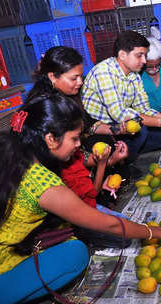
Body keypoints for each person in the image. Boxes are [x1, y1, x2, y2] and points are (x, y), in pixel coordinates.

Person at [0, 95, 161, 304]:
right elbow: (109, 224)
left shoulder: (8, 152)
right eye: (74, 138)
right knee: (76, 254)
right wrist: (156, 232)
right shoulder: (43, 183)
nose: (78, 145)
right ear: (50, 139)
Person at [26, 46, 128, 210]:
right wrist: (103, 163)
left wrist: (116, 133)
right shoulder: (50, 108)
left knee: (105, 141)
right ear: (52, 76)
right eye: (74, 78)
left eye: (81, 77)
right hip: (57, 176)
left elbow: (88, 125)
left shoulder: (65, 97)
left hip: (64, 159)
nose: (80, 82)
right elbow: (72, 155)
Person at [82, 30, 161, 164]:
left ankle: (129, 153)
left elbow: (143, 107)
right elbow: (120, 114)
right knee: (141, 129)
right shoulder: (103, 73)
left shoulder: (133, 75)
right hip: (99, 130)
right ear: (122, 55)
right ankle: (121, 163)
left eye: (144, 55)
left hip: (121, 126)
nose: (144, 61)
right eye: (139, 55)